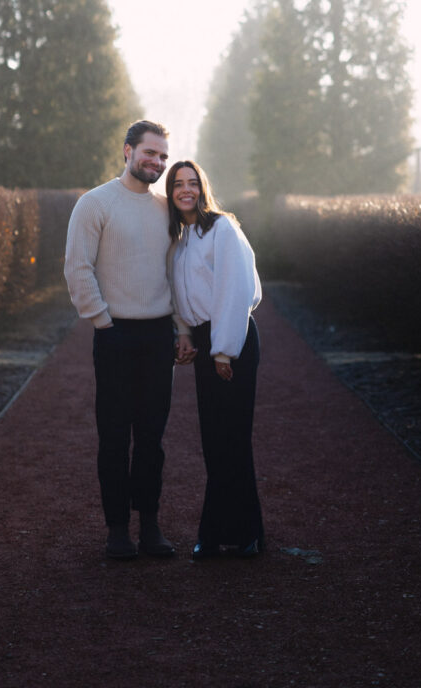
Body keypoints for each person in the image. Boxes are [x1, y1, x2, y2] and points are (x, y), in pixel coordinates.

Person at [64, 120, 178, 560]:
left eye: (164, 156)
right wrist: (103, 322)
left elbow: (176, 273)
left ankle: (149, 526)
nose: (158, 162)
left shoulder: (166, 209)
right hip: (114, 333)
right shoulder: (95, 204)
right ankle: (117, 530)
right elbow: (78, 268)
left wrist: (180, 328)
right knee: (113, 436)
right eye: (150, 153)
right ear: (127, 151)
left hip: (158, 334)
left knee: (152, 438)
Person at [166, 159, 264, 560]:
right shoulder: (178, 237)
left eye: (192, 183)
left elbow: (235, 291)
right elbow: (176, 291)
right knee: (213, 439)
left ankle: (245, 534)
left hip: (233, 340)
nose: (186, 190)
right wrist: (185, 333)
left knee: (233, 438)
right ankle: (215, 530)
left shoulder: (222, 228)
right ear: (171, 193)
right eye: (177, 185)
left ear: (202, 187)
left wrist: (224, 349)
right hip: (205, 342)